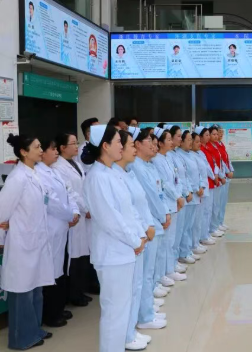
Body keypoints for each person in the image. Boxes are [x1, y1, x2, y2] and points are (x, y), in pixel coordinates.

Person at [82, 124, 147, 352]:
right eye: (119, 142)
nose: (122, 146)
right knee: (114, 313)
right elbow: (111, 220)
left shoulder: (111, 173)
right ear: (105, 146)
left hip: (123, 252)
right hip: (112, 255)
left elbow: (128, 210)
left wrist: (138, 236)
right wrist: (135, 241)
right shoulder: (97, 178)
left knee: (121, 310)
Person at [0, 134, 55, 350]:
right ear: (24, 152)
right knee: (22, 292)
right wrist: (4, 231)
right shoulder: (17, 179)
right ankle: (20, 339)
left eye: (41, 146)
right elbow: (2, 212)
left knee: (35, 290)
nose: (41, 150)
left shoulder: (34, 174)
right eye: (37, 147)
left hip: (36, 242)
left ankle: (34, 330)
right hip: (22, 245)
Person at [113, 129, 164, 350]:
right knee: (129, 290)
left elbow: (139, 205)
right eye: (130, 145)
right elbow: (119, 215)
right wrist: (140, 234)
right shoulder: (111, 176)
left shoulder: (127, 172)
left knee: (139, 283)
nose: (133, 149)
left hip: (140, 234)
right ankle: (131, 329)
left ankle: (136, 324)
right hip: (130, 240)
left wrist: (145, 229)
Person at [37, 137, 80, 328]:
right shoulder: (39, 174)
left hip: (62, 226)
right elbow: (52, 202)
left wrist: (75, 212)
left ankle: (58, 308)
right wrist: (70, 214)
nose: (56, 152)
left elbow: (69, 193)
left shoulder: (53, 171)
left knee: (60, 269)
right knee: (51, 272)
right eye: (52, 149)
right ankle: (51, 314)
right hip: (52, 227)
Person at [130, 128, 171, 310]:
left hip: (154, 219)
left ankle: (148, 303)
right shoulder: (137, 167)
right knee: (145, 270)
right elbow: (150, 196)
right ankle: (146, 308)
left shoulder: (147, 165)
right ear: (137, 144)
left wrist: (164, 213)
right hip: (149, 222)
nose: (154, 146)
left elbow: (158, 191)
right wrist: (162, 215)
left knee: (149, 267)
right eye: (150, 141)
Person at [53, 133, 93, 308]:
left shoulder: (75, 163)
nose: (77, 146)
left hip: (82, 215)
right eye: (73, 143)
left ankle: (79, 292)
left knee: (82, 256)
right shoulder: (58, 167)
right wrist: (85, 208)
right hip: (74, 215)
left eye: (77, 143)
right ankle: (73, 295)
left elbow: (82, 188)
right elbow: (71, 193)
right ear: (62, 147)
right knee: (73, 258)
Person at [151, 128, 186, 288]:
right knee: (164, 243)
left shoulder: (167, 157)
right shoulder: (157, 160)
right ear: (160, 143)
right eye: (169, 139)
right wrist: (177, 196)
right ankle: (162, 274)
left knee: (171, 240)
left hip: (174, 203)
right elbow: (165, 184)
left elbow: (175, 179)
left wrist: (178, 196)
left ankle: (169, 268)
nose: (172, 142)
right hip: (167, 203)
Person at [166, 125, 193, 277]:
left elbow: (180, 177)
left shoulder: (173, 155)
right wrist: (178, 196)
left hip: (179, 198)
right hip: (173, 201)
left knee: (178, 233)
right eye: (177, 136)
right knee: (171, 237)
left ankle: (174, 261)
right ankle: (171, 266)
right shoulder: (165, 157)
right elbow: (166, 183)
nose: (179, 139)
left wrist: (183, 193)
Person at [175, 130, 201, 265]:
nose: (191, 142)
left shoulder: (189, 154)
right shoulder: (178, 155)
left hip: (191, 193)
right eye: (188, 139)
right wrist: (189, 191)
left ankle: (188, 250)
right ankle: (183, 253)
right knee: (184, 228)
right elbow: (182, 177)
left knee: (189, 226)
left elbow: (194, 173)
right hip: (186, 195)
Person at [197, 127, 220, 246]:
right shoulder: (200, 149)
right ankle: (203, 235)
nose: (209, 137)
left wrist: (215, 175)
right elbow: (206, 167)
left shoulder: (205, 149)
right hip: (207, 183)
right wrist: (213, 176)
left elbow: (213, 163)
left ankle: (206, 233)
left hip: (211, 181)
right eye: (206, 135)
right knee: (205, 211)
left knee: (208, 210)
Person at [190, 130, 212, 255]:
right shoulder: (189, 156)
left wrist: (203, 185)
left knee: (202, 215)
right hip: (195, 192)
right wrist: (198, 187)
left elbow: (204, 169)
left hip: (202, 188)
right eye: (196, 141)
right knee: (195, 220)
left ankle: (199, 240)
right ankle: (195, 243)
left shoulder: (199, 153)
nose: (199, 144)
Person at [214, 127, 232, 233]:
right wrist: (224, 173)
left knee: (223, 201)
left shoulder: (221, 145)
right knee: (218, 202)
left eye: (221, 133)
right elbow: (218, 162)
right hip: (221, 177)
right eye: (217, 133)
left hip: (225, 176)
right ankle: (217, 223)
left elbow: (226, 160)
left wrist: (230, 170)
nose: (219, 135)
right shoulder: (215, 146)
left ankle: (220, 221)